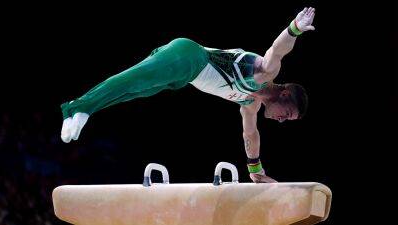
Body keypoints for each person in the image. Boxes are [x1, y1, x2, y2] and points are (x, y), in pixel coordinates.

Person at [61, 7, 315, 183]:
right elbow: (277, 51)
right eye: (288, 115)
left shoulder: (250, 103)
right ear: (284, 94)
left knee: (134, 91)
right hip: (190, 56)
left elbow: (250, 134)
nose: (282, 121)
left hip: (184, 77)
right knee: (133, 79)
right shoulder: (262, 72)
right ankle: (76, 108)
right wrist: (294, 29)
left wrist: (256, 170)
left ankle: (85, 108)